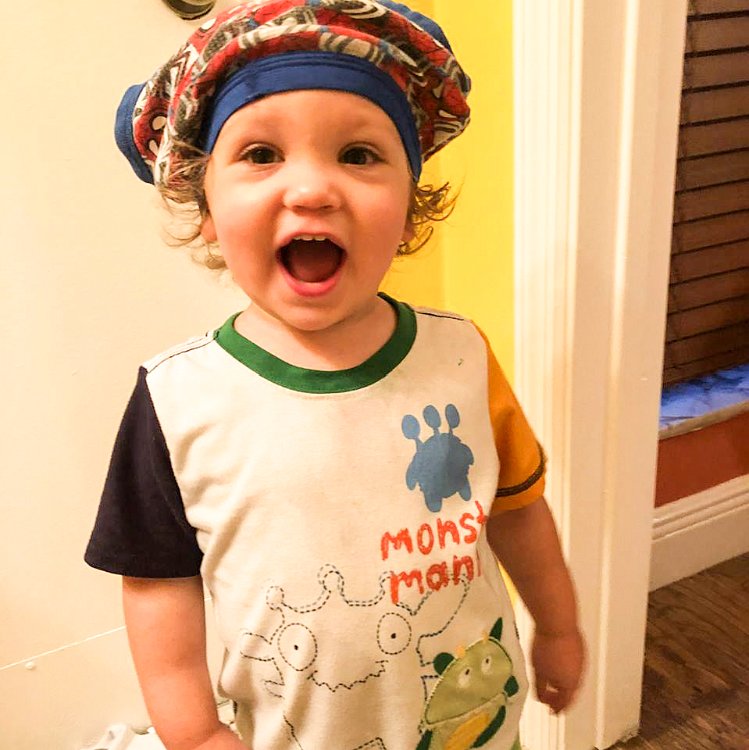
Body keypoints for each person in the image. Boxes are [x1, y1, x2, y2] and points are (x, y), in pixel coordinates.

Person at [85, 2, 585, 749]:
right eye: (261, 154)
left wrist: (559, 627)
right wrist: (192, 733)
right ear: (207, 207)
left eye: (358, 154)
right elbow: (157, 580)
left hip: (473, 720)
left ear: (409, 205)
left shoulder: (460, 355)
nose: (312, 189)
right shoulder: (177, 399)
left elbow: (516, 511)